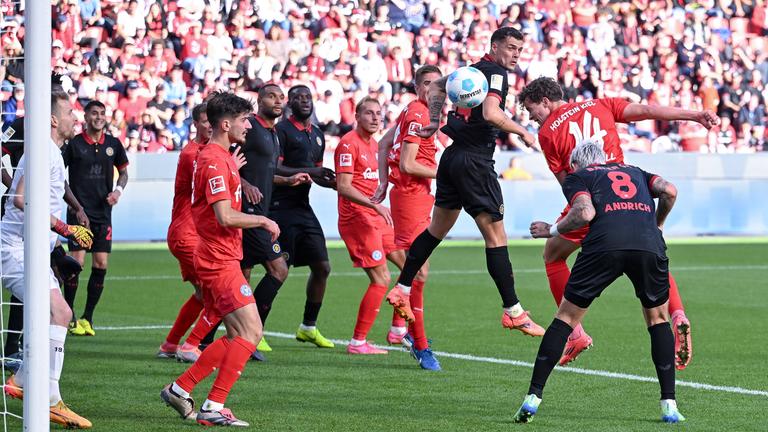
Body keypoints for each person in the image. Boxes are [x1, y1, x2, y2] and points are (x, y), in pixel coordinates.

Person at [517, 76, 719, 368]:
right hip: (632, 196)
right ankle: (677, 314)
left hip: (595, 199)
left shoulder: (548, 132)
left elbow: (570, 185)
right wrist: (694, 115)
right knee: (653, 254)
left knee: (552, 255)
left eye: (530, 109)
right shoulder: (601, 105)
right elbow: (647, 111)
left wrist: (563, 224)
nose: (531, 117)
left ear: (545, 101)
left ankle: (575, 333)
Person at [513, 141, 686, 424]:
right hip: (648, 245)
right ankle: (669, 405)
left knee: (566, 318)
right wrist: (657, 224)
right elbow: (669, 191)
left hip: (605, 244)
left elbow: (584, 212)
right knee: (657, 320)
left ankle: (532, 398)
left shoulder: (580, 176)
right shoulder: (635, 170)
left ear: (578, 164)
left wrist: (551, 229)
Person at [388, 27, 545, 338]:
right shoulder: (497, 73)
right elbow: (490, 113)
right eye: (510, 48)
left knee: (435, 231)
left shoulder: (470, 69)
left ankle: (402, 287)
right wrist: (524, 132)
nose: (515, 54)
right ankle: (513, 311)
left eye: (519, 49)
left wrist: (435, 121)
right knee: (496, 236)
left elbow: (435, 89)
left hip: (452, 159)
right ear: (495, 46)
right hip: (475, 162)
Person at [160, 91, 280, 427]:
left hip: (222, 257)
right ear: (225, 124)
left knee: (235, 335)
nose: (249, 126)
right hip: (217, 259)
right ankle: (214, 405)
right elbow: (225, 216)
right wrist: (262, 219)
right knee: (251, 331)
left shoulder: (221, 156)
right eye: (244, 121)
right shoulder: (213, 159)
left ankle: (180, 389)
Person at [2, 90, 94, 429]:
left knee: (60, 312)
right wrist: (65, 228)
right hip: (16, 249)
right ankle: (50, 400)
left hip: (34, 249)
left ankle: (22, 382)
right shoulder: (43, 150)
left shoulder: (52, 152)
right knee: (58, 311)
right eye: (71, 112)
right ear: (54, 118)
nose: (76, 118)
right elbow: (21, 200)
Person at [371, 65, 444, 370]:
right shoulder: (418, 113)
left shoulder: (413, 111)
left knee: (416, 270)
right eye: (426, 83)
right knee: (420, 271)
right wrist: (446, 173)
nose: (431, 89)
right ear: (417, 87)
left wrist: (384, 181)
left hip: (416, 195)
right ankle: (420, 344)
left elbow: (384, 143)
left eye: (436, 84)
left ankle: (400, 329)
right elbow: (409, 163)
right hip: (411, 196)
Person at [335, 96, 408, 355]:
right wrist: (374, 204)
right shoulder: (347, 144)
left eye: (378, 113)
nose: (376, 118)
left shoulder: (376, 145)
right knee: (381, 278)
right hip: (357, 218)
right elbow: (343, 186)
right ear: (357, 116)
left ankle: (398, 330)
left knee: (412, 267)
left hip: (378, 218)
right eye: (369, 113)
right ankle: (358, 342)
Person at [272, 85, 337, 348]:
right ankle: (255, 330)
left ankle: (308, 327)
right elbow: (275, 168)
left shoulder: (318, 135)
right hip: (279, 206)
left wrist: (332, 182)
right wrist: (312, 170)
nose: (304, 102)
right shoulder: (281, 131)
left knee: (323, 267)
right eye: (298, 98)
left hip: (302, 206)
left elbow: (316, 174)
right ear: (289, 103)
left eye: (308, 97)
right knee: (278, 271)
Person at [62, 100, 130, 336]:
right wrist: (75, 206)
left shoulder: (113, 144)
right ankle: (68, 315)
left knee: (101, 264)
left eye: (102, 113)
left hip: (103, 214)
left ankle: (87, 318)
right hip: (79, 214)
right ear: (86, 116)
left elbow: (123, 173)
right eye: (94, 113)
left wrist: (118, 192)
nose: (99, 117)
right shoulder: (74, 144)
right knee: (76, 264)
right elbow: (58, 176)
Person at [157, 102, 216, 360]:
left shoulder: (208, 151)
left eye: (213, 120)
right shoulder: (194, 154)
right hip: (187, 233)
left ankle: (170, 345)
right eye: (205, 121)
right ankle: (191, 345)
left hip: (193, 233)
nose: (210, 126)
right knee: (217, 292)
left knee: (203, 294)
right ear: (195, 124)